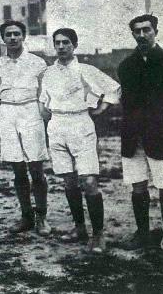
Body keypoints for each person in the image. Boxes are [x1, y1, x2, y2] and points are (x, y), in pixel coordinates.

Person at [39, 28, 120, 253]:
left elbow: (114, 90)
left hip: (81, 124)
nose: (62, 47)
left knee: (89, 182)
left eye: (66, 42)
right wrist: (49, 120)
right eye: (58, 43)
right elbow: (43, 102)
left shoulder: (86, 69)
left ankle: (99, 235)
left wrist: (101, 108)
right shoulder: (48, 73)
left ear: (74, 45)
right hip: (57, 126)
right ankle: (79, 227)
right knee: (69, 182)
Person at [0, 20, 51, 235]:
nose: (12, 38)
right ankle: (26, 216)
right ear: (3, 39)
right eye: (8, 35)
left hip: (31, 111)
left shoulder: (38, 63)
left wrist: (45, 113)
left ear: (23, 37)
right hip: (8, 113)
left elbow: (46, 93)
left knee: (36, 167)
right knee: (18, 168)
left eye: (16, 34)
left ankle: (42, 217)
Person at [118, 14, 163, 252]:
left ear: (156, 31)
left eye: (147, 30)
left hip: (162, 135)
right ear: (132, 34)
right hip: (133, 137)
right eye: (137, 31)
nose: (142, 35)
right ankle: (142, 233)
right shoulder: (126, 66)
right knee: (138, 187)